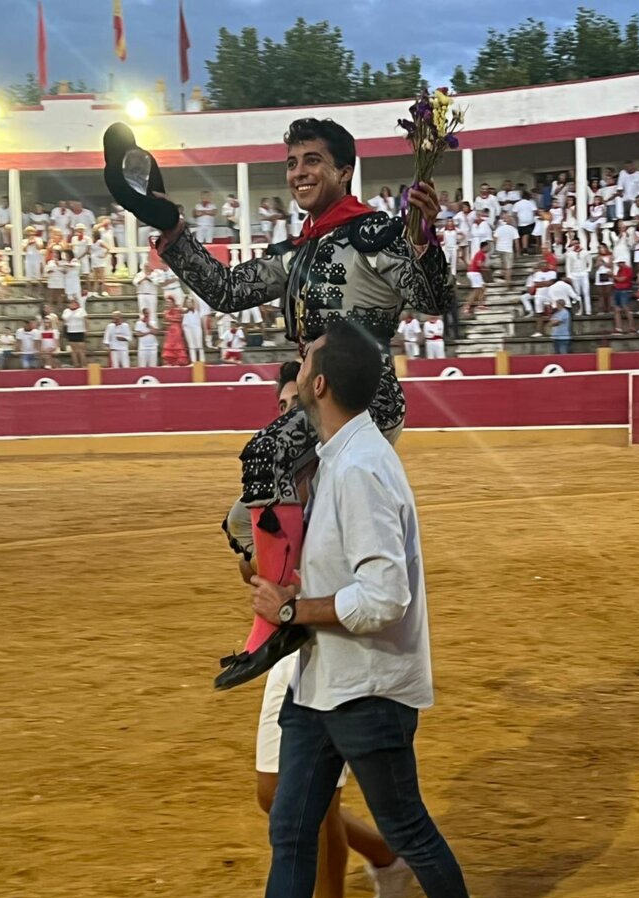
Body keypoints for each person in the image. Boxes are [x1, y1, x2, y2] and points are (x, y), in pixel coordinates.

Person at [104, 116, 453, 688]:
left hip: (365, 401)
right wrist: (169, 227)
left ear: (344, 170)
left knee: (265, 455)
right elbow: (226, 290)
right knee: (245, 525)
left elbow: (432, 296)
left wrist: (422, 240)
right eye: (292, 163)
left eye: (312, 160)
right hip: (316, 405)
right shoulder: (299, 251)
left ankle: (276, 624)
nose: (298, 173)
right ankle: (295, 600)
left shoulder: (377, 235)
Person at [247, 322, 469, 898]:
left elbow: (384, 596)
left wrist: (293, 611)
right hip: (321, 683)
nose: (296, 364)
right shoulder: (339, 457)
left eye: (306, 359)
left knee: (409, 831)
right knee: (291, 829)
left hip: (367, 691)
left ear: (318, 384)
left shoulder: (359, 468)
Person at [221, 361, 414, 898]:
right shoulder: (277, 478)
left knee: (310, 797)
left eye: (297, 406)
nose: (288, 419)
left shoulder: (347, 466)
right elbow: (253, 565)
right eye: (281, 408)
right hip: (290, 639)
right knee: (274, 791)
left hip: (337, 637)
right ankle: (383, 854)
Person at [160, 298, 189, 366]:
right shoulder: (166, 312)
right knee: (170, 344)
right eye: (167, 302)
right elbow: (169, 318)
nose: (168, 304)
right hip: (170, 330)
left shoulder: (178, 310)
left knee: (177, 344)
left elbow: (180, 317)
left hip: (176, 329)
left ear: (173, 303)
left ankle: (178, 361)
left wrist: (174, 318)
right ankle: (170, 361)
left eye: (170, 302)